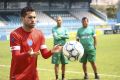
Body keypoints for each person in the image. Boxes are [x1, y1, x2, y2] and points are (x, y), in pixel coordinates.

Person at [9, 6, 62, 80]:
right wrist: (28, 54)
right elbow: (16, 56)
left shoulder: (39, 34)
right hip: (18, 76)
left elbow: (45, 55)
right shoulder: (15, 34)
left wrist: (52, 51)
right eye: (30, 17)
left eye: (34, 17)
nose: (33, 20)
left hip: (33, 76)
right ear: (22, 19)